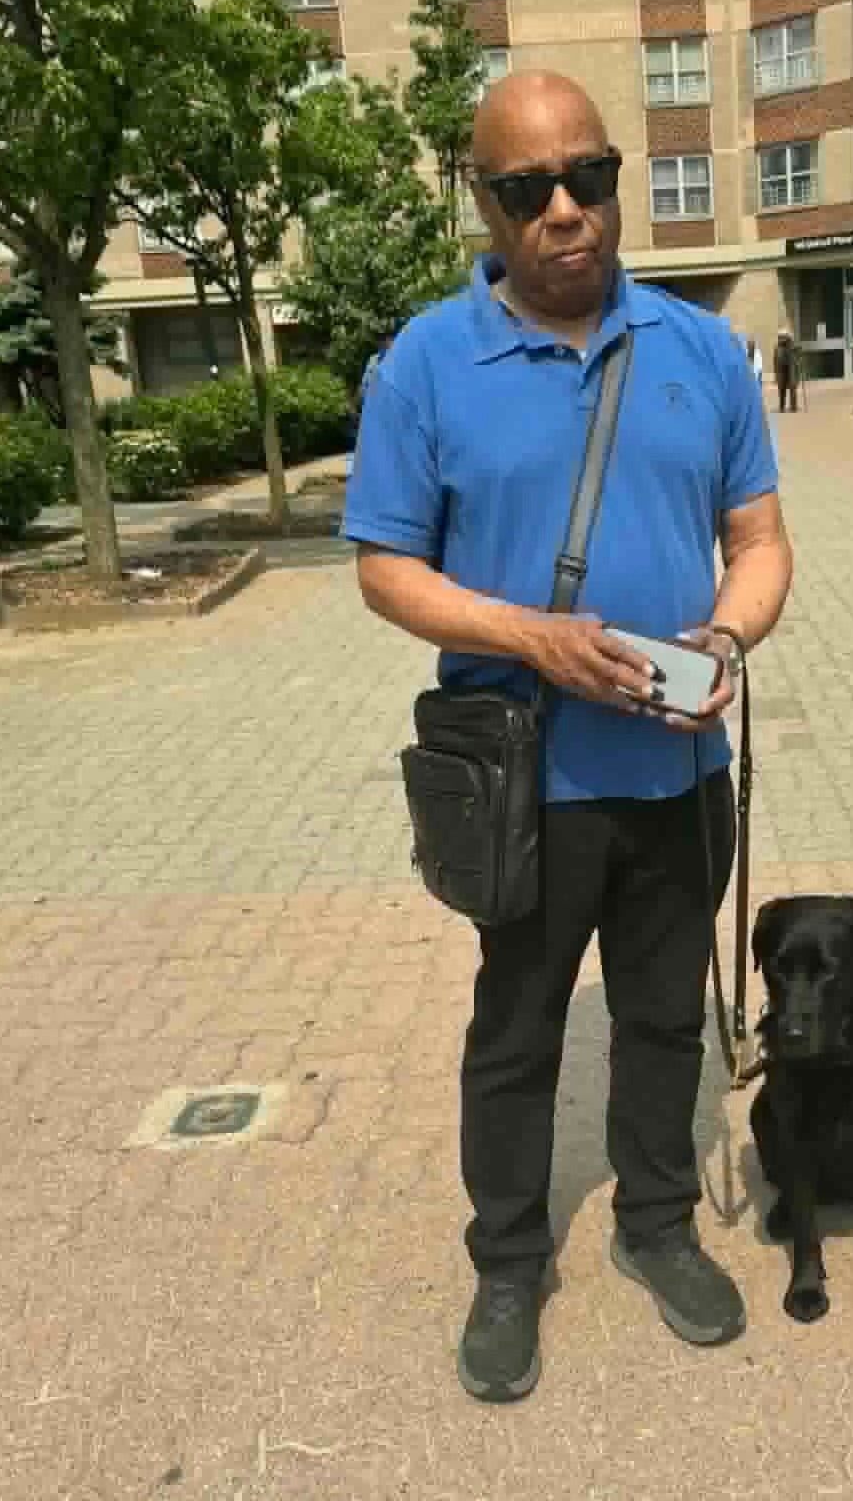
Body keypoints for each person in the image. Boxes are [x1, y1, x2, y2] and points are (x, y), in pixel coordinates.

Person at [342, 70, 794, 1405]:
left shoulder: (704, 351)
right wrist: (530, 637)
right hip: (525, 782)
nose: (563, 213)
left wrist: (724, 641)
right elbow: (382, 567)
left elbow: (759, 544)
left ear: (616, 179)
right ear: (484, 204)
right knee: (518, 1031)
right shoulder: (427, 362)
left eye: (586, 179)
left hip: (677, 772)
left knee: (663, 1021)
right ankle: (508, 1262)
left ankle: (656, 1226)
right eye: (526, 189)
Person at [774, 328, 799, 413]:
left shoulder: (792, 345)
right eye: (780, 337)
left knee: (792, 387)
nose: (782, 339)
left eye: (784, 337)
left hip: (791, 369)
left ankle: (793, 406)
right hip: (781, 370)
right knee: (781, 388)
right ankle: (782, 406)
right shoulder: (777, 347)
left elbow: (797, 357)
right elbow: (775, 361)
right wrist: (776, 375)